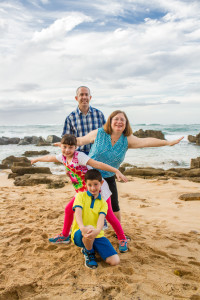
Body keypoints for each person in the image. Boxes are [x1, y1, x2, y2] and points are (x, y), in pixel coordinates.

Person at [76, 110, 184, 223]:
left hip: (109, 176)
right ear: (110, 121)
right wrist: (65, 144)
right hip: (89, 175)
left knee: (114, 206)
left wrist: (167, 143)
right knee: (84, 203)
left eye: (122, 119)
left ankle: (119, 233)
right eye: (116, 119)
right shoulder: (99, 133)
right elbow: (80, 140)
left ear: (126, 124)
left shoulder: (127, 139)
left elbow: (146, 142)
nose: (119, 122)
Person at [31, 134, 129, 252]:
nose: (67, 150)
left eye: (70, 147)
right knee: (68, 209)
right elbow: (50, 158)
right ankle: (65, 236)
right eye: (65, 147)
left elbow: (97, 164)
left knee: (109, 215)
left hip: (98, 189)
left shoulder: (80, 157)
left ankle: (122, 238)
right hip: (83, 191)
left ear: (76, 147)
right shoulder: (62, 157)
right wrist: (37, 159)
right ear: (61, 146)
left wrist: (115, 170)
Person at [72, 169, 120, 269]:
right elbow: (78, 212)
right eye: (90, 185)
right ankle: (88, 252)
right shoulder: (80, 196)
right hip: (80, 233)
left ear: (101, 183)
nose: (93, 188)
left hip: (97, 234)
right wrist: (82, 228)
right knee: (89, 228)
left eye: (96, 184)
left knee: (115, 261)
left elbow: (101, 220)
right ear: (86, 184)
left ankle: (92, 245)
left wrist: (97, 231)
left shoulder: (103, 203)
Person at [62, 86, 106, 155]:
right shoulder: (70, 118)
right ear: (76, 98)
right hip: (79, 156)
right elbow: (66, 142)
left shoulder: (99, 114)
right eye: (81, 95)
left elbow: (106, 136)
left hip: (98, 155)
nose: (84, 97)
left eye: (86, 95)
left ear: (90, 97)